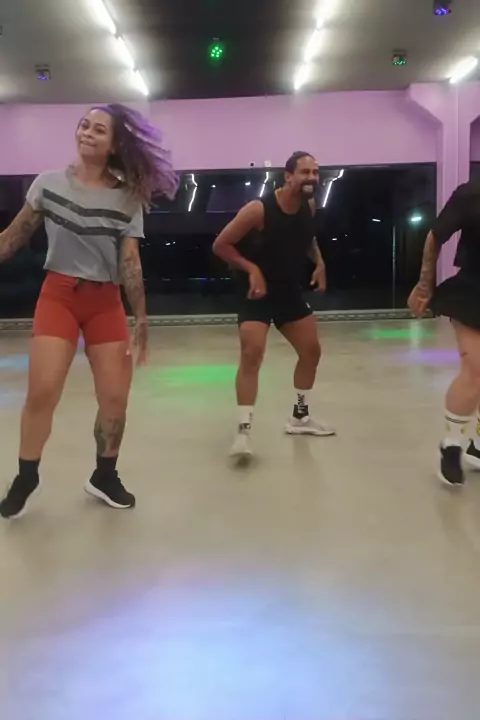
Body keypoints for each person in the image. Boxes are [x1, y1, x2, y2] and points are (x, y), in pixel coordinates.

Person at [0, 104, 178, 518]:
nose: (87, 133)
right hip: (59, 296)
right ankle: (27, 476)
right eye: (84, 125)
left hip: (105, 302)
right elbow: (11, 238)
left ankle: (104, 475)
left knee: (115, 398)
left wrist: (141, 316)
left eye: (99, 129)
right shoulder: (48, 185)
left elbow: (129, 262)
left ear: (114, 144)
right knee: (43, 391)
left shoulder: (127, 199)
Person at [212, 151, 335, 458]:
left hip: (288, 292)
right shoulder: (259, 209)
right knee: (252, 354)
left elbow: (307, 237)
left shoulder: (308, 205)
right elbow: (221, 245)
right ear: (288, 176)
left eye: (315, 172)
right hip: (256, 293)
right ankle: (243, 433)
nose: (312, 177)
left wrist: (319, 262)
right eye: (305, 172)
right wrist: (251, 268)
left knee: (311, 351)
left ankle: (299, 418)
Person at [408, 180, 480, 486]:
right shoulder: (471, 194)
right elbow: (435, 235)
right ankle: (451, 446)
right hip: (472, 292)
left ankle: (477, 445)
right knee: (476, 369)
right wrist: (425, 284)